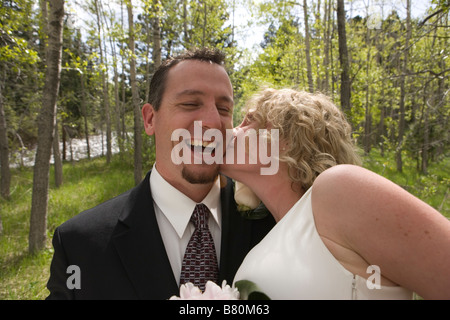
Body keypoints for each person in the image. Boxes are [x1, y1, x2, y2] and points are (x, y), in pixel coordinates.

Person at [46, 48, 275, 300]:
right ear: (150, 119)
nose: (212, 121)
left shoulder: (274, 223)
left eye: (223, 109)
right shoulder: (79, 245)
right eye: (190, 104)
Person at [220, 87, 450, 299]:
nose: (232, 131)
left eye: (249, 121)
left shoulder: (338, 189)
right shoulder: (266, 238)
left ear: (288, 139)